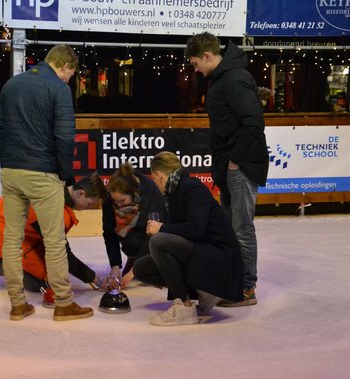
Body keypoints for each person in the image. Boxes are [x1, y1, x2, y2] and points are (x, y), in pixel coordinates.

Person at [0, 44, 93, 321]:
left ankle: (17, 304)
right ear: (65, 67)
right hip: (43, 173)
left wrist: (7, 160)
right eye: (71, 75)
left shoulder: (12, 85)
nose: (69, 80)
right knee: (54, 241)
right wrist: (63, 174)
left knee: (12, 238)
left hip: (11, 172)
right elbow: (64, 137)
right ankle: (63, 303)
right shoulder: (59, 89)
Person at [185, 33, 269, 306]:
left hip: (241, 164)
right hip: (230, 164)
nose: (195, 69)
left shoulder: (233, 79)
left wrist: (235, 160)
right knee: (230, 228)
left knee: (241, 228)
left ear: (208, 56)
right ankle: (235, 283)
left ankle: (246, 288)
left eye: (196, 63)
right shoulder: (224, 79)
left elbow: (254, 123)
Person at [133, 151, 244, 326]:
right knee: (141, 267)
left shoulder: (192, 187)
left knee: (158, 241)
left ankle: (185, 307)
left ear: (160, 176)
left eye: (155, 180)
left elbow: (196, 230)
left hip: (220, 259)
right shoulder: (175, 193)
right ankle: (201, 292)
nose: (155, 184)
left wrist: (161, 227)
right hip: (202, 252)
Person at [0, 174, 109, 305]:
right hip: (4, 228)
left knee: (52, 273)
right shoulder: (55, 206)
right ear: (81, 194)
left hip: (18, 226)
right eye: (90, 204)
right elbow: (63, 255)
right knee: (38, 283)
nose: (88, 209)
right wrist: (97, 280)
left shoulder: (61, 190)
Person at [102, 162, 166, 289]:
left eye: (122, 201)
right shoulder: (109, 197)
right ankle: (133, 258)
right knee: (131, 242)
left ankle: (150, 263)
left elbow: (152, 234)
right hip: (133, 235)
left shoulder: (150, 192)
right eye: (115, 201)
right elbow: (109, 232)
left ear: (134, 193)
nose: (118, 205)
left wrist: (134, 271)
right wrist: (115, 267)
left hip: (156, 233)